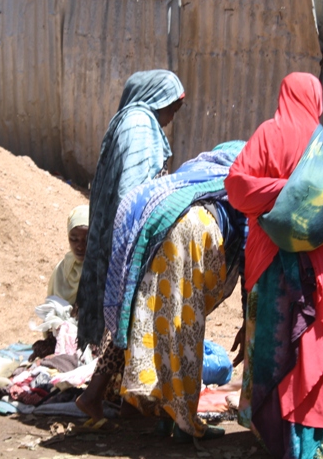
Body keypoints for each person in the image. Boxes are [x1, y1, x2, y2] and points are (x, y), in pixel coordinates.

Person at [224, 72, 323, 459]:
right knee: (312, 342)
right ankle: (313, 442)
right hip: (319, 265)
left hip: (272, 262)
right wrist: (298, 191)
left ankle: (275, 435)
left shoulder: (269, 132)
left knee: (273, 340)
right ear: (316, 99)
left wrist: (277, 193)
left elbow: (237, 187)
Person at [115, 141, 247, 442]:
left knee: (164, 325)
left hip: (164, 233)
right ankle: (186, 424)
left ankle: (165, 417)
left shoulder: (194, 174)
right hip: (199, 233)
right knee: (186, 329)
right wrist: (247, 315)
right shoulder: (241, 179)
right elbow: (250, 245)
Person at [75, 69, 185, 425]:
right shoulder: (139, 125)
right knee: (133, 316)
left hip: (122, 234)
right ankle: (97, 394)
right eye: (173, 105)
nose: (173, 116)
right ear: (157, 98)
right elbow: (136, 191)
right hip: (132, 237)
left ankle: (123, 399)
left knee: (132, 317)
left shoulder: (133, 122)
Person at [47, 205, 89, 306]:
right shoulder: (62, 270)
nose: (80, 247)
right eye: (74, 239)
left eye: (86, 240)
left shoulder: (100, 270)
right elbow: (51, 309)